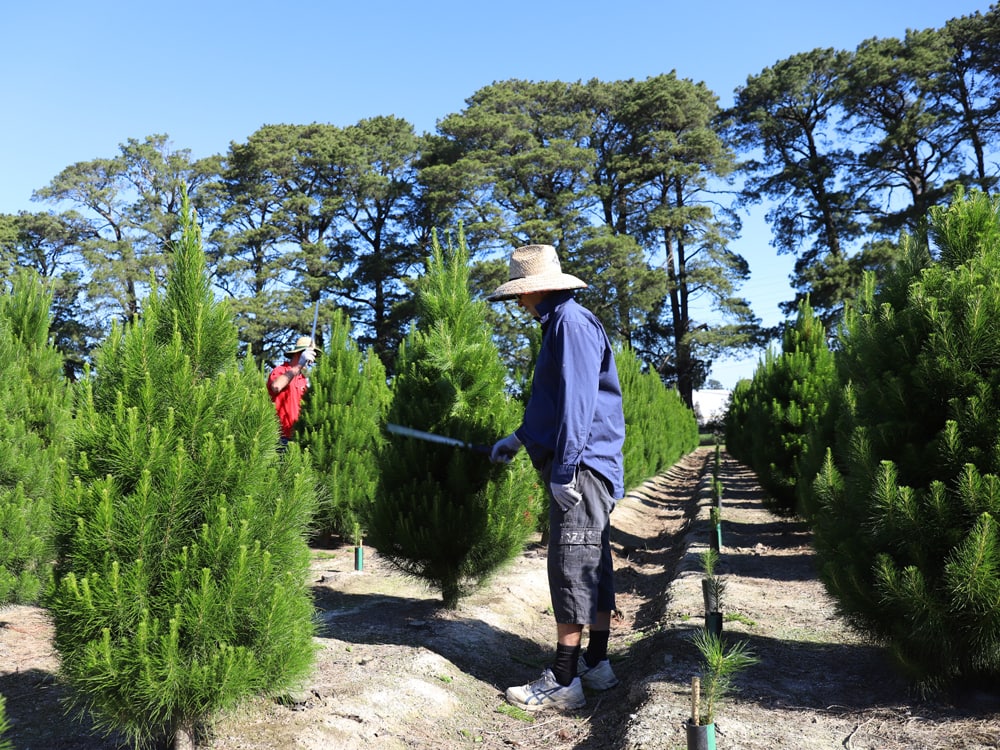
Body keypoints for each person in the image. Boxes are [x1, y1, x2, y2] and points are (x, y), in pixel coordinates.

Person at [487, 244, 626, 711]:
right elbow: (552, 404)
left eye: (520, 296)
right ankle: (597, 664)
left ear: (537, 289)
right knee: (592, 563)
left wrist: (564, 469)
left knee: (571, 566)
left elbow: (577, 406)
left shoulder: (570, 324)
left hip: (581, 468)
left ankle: (564, 680)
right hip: (586, 465)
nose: (519, 305)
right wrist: (519, 439)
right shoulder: (561, 325)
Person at [267, 335, 317, 446]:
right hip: (278, 437)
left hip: (297, 439)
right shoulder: (281, 370)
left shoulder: (303, 380)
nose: (310, 361)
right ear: (299, 354)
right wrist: (299, 364)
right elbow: (276, 387)